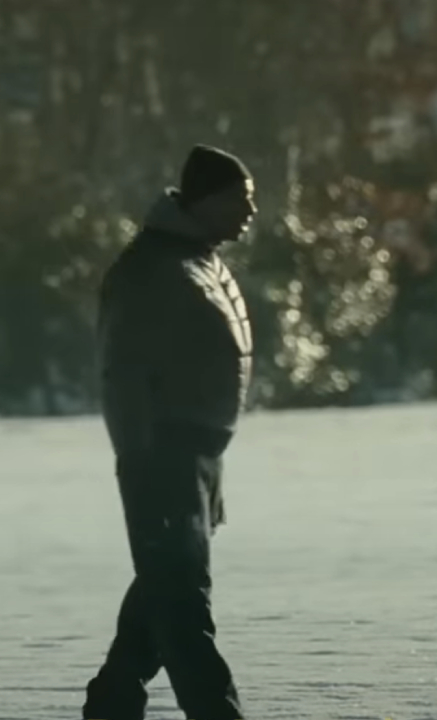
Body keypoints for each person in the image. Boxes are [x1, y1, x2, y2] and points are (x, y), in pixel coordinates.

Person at [82, 145, 257, 720]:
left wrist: (207, 463)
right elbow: (124, 369)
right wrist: (142, 459)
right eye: (239, 200)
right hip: (163, 454)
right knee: (183, 602)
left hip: (199, 453)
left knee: (162, 587)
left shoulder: (198, 258)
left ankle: (111, 702)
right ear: (205, 202)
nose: (250, 213)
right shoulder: (153, 268)